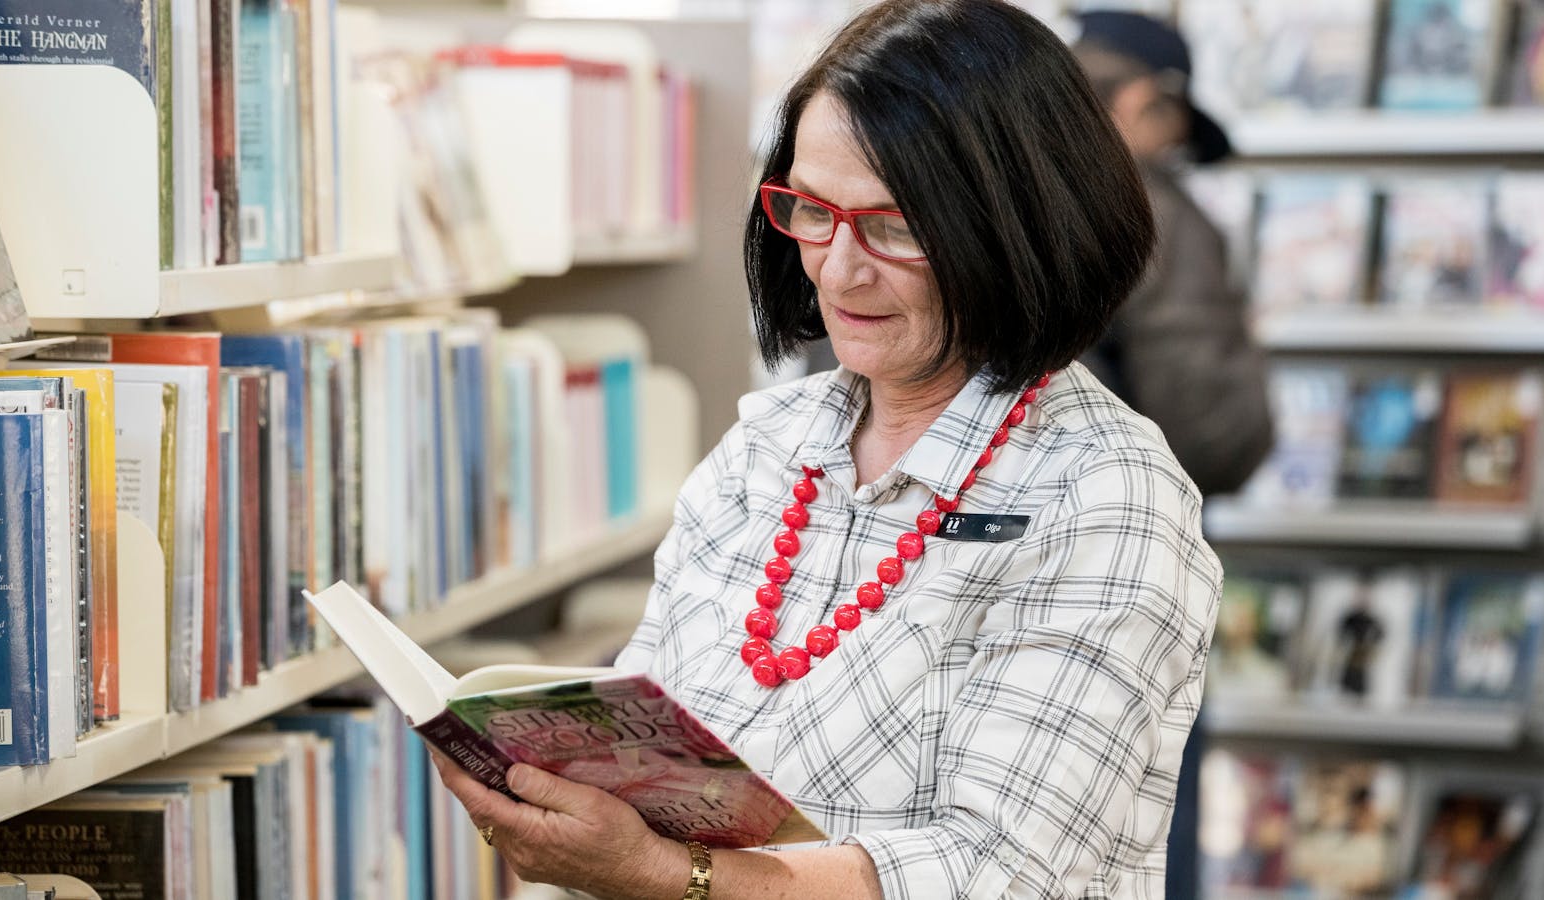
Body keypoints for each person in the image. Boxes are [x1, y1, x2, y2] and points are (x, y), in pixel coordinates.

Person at [431, 2, 1221, 897]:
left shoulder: (1106, 494)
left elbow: (998, 872)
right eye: (811, 209)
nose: (839, 270)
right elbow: (653, 728)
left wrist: (665, 873)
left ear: (1017, 226)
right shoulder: (767, 444)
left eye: (895, 227)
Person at [1071, 11, 1274, 498]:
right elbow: (1207, 433)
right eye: (1177, 143)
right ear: (1143, 101)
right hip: (1120, 516)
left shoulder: (981, 188)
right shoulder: (1151, 210)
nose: (1171, 157)